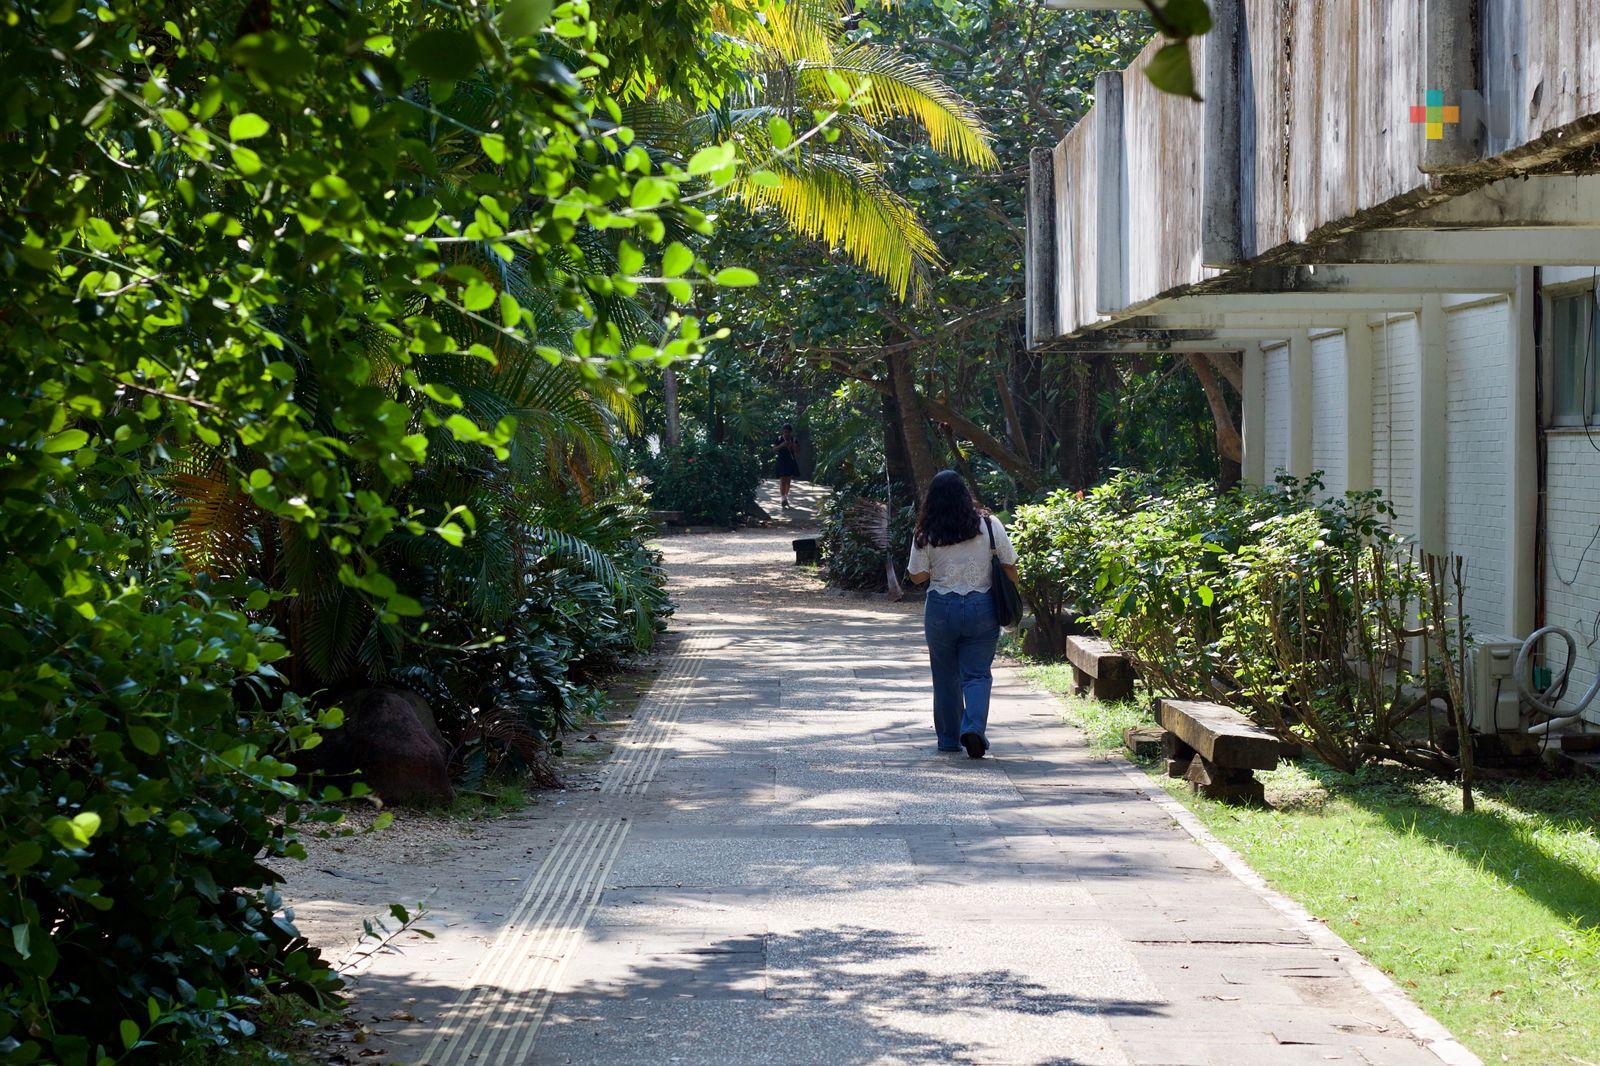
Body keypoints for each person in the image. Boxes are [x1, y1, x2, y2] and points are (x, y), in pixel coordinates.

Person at [905, 470, 1018, 759]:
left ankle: (948, 740)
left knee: (944, 675)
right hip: (982, 606)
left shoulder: (925, 532)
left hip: (941, 609)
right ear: (965, 494)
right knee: (977, 674)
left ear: (933, 499)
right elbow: (1011, 566)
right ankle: (974, 728)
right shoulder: (989, 525)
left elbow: (917, 577)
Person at [773, 424, 800, 509]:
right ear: (782, 432)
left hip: (790, 461)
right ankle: (783, 498)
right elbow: (774, 449)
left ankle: (785, 496)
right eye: (784, 432)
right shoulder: (779, 439)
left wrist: (792, 445)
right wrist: (782, 445)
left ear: (790, 432)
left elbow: (797, 451)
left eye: (787, 432)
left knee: (788, 481)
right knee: (782, 479)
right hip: (781, 461)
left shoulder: (794, 439)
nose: (786, 434)